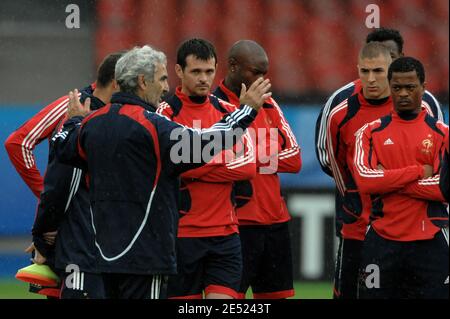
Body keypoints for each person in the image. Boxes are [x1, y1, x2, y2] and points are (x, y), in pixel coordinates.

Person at [52, 45, 271, 299]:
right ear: (143, 82)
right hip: (147, 253)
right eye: (162, 79)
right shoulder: (152, 125)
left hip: (103, 253)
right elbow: (204, 144)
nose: (166, 87)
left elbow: (61, 146)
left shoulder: (93, 123)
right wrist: (246, 111)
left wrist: (74, 120)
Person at [314, 27, 445, 299]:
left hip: (422, 228)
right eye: (366, 70)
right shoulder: (342, 107)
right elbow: (331, 161)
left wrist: (387, 183)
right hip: (362, 224)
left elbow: (443, 177)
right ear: (359, 67)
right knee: (351, 293)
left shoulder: (427, 105)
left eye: (381, 70)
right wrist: (356, 198)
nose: (373, 78)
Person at [4, 51, 124, 298]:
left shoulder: (128, 113)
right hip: (72, 233)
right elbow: (18, 143)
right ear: (117, 81)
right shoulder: (74, 104)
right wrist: (47, 197)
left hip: (107, 234)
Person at [157, 38, 255, 299]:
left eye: (209, 71)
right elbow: (169, 164)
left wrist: (191, 160)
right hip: (180, 236)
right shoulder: (164, 114)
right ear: (178, 71)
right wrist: (220, 157)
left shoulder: (228, 111)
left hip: (225, 235)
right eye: (196, 71)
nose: (204, 79)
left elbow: (248, 166)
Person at [213, 40, 301, 299]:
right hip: (236, 223)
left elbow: (294, 159)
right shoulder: (214, 105)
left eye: (265, 73)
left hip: (274, 220)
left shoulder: (269, 104)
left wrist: (246, 154)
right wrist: (266, 148)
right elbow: (213, 156)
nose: (263, 80)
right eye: (256, 72)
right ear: (232, 67)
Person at [354, 57, 448, 299]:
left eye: (411, 87)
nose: (403, 94)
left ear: (424, 87)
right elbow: (365, 181)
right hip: (382, 241)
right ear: (389, 87)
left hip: (431, 241)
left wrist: (387, 180)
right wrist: (418, 172)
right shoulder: (370, 132)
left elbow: (444, 188)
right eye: (397, 88)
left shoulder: (443, 134)